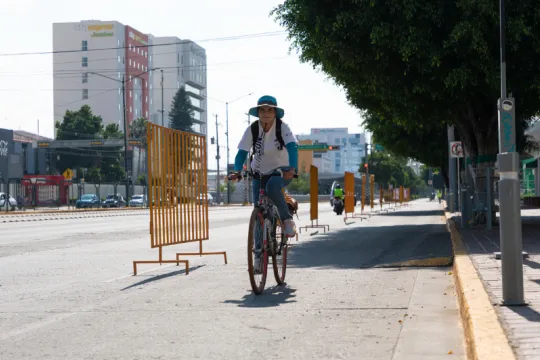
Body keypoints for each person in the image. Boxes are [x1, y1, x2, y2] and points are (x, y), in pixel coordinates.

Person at [228, 95, 299, 242]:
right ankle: (258, 256)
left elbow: (293, 148)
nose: (266, 113)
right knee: (258, 209)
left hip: (281, 171)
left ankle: (286, 220)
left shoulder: (282, 127)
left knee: (272, 187)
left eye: (270, 110)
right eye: (262, 110)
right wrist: (237, 171)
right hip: (259, 172)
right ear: (258, 112)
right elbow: (241, 153)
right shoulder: (253, 128)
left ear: (275, 113)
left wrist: (292, 169)